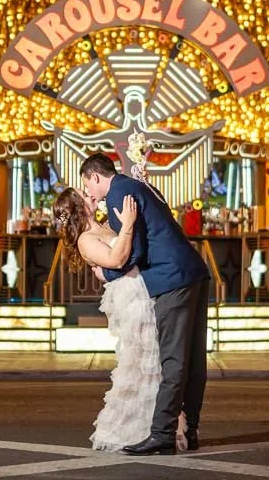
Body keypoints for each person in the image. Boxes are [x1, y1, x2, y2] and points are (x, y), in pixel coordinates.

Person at [78, 151, 209, 455]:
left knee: (173, 359)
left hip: (171, 279)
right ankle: (191, 429)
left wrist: (106, 272)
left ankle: (162, 433)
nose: (90, 194)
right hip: (193, 271)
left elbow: (131, 252)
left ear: (95, 177)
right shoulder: (138, 186)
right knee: (193, 359)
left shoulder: (118, 196)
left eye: (89, 186)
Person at [53, 188, 186, 453]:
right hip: (131, 298)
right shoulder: (85, 240)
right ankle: (139, 428)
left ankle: (159, 425)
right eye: (84, 194)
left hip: (142, 289)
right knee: (142, 358)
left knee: (156, 357)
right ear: (79, 207)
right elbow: (116, 258)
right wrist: (127, 225)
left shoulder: (102, 226)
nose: (90, 195)